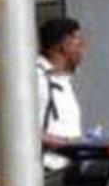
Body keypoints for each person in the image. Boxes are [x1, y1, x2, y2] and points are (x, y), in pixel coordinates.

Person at [37, 17, 87, 169]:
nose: (83, 51)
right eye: (79, 43)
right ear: (65, 44)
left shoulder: (61, 78)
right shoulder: (36, 77)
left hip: (66, 168)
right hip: (45, 171)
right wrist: (64, 143)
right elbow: (15, 125)